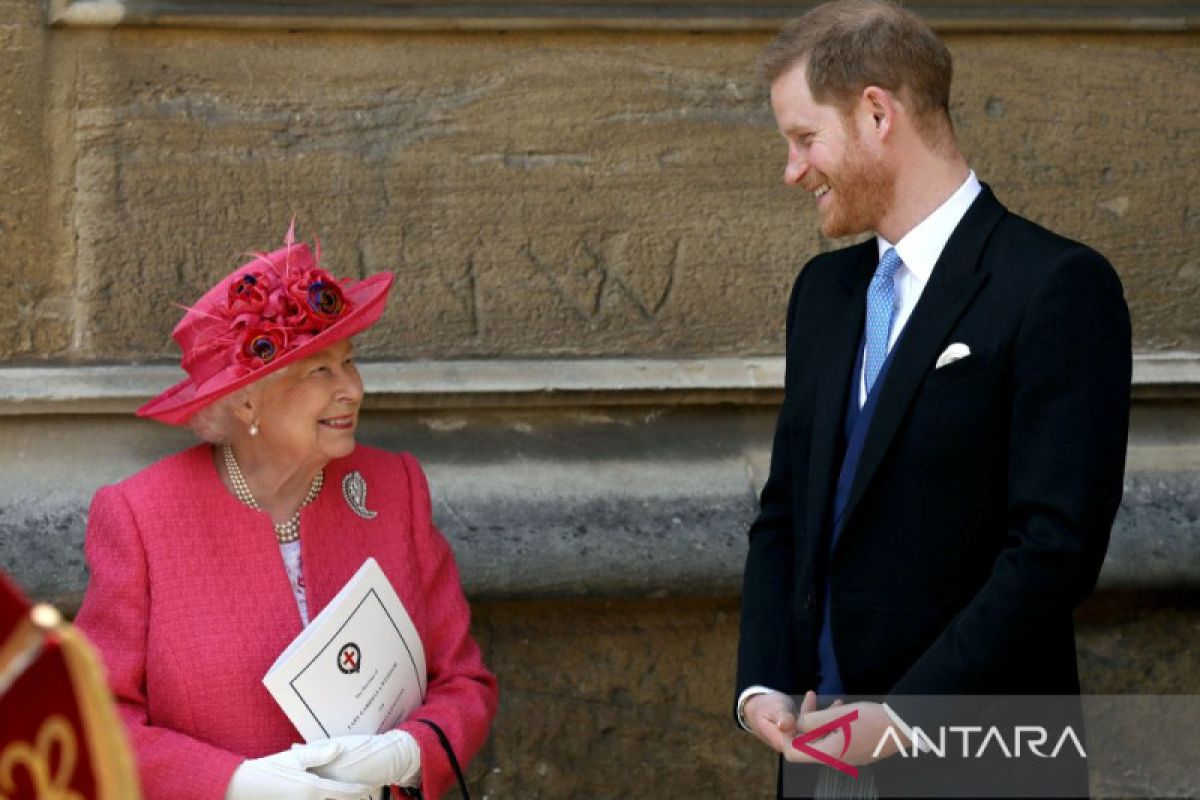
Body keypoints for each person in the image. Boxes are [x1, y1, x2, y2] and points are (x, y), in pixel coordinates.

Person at [734, 1, 1130, 795]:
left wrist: (905, 715)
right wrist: (762, 685)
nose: (792, 169)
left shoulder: (1054, 287)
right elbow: (787, 513)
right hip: (816, 764)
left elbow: (1053, 552)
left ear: (877, 112)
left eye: (806, 138)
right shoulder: (824, 293)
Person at [75, 224, 498, 800]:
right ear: (248, 400)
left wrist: (408, 752)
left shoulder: (394, 487)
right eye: (319, 371)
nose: (351, 388)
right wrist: (232, 784)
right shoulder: (141, 517)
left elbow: (463, 681)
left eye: (349, 362)